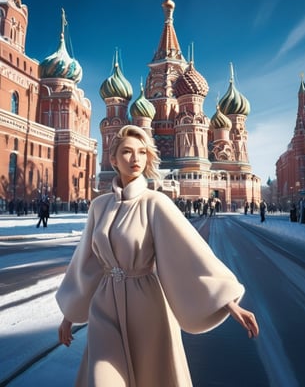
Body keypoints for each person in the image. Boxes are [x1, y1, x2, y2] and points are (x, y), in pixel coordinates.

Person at [56, 125, 259, 387]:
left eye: (142, 152)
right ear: (113, 159)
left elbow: (189, 254)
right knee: (102, 379)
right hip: (104, 308)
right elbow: (85, 263)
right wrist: (69, 315)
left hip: (147, 309)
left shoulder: (156, 202)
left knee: (153, 377)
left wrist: (228, 302)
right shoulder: (98, 206)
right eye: (127, 152)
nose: (135, 158)